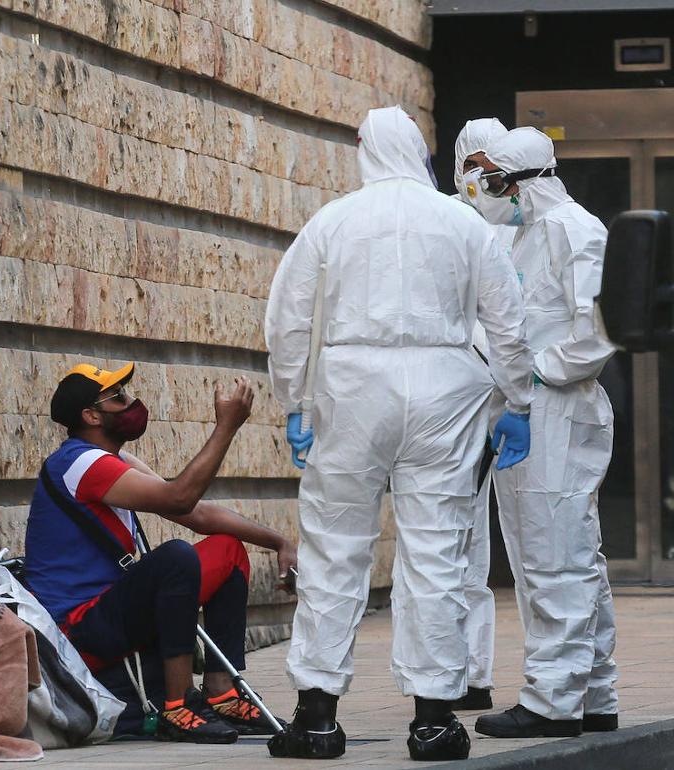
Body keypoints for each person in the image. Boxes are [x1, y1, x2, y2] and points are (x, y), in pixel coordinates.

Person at [265, 106, 534, 762]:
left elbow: (289, 318)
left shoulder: (332, 220)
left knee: (334, 548)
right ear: (419, 150)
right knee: (437, 551)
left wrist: (293, 401)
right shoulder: (462, 221)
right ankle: (436, 719)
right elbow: (506, 319)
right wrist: (517, 401)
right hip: (445, 386)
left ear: (363, 149)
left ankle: (317, 716)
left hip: (353, 386)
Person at [23, 362, 297, 744]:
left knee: (227, 550)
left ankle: (222, 693)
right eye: (118, 397)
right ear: (91, 415)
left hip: (110, 611)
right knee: (175, 559)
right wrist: (226, 427)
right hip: (78, 629)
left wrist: (279, 542)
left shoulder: (110, 461)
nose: (132, 402)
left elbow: (196, 514)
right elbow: (181, 496)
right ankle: (178, 705)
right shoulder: (79, 463)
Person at [472, 127, 621, 739]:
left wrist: (534, 371)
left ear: (518, 180)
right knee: (568, 556)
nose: (481, 189)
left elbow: (597, 330)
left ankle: (553, 701)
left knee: (554, 558)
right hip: (535, 410)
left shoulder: (572, 231)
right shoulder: (531, 234)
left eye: (487, 177)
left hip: (557, 409)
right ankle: (593, 693)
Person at [449, 117, 518, 713]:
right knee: (451, 539)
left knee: (494, 545)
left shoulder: (524, 228)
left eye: (491, 168)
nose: (480, 179)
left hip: (509, 403)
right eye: (471, 165)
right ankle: (455, 673)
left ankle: (474, 672)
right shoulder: (443, 221)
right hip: (451, 406)